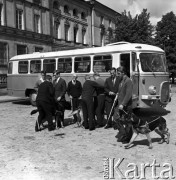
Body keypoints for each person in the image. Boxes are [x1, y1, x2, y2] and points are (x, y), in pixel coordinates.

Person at [113, 66, 133, 144]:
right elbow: (121, 91)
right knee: (117, 119)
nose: (117, 75)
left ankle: (128, 138)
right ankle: (123, 134)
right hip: (120, 104)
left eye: (119, 73)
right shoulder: (121, 81)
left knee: (127, 122)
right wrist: (118, 93)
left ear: (123, 73)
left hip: (126, 106)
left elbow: (128, 94)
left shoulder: (128, 81)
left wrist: (123, 104)